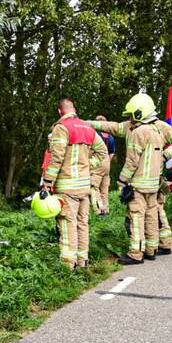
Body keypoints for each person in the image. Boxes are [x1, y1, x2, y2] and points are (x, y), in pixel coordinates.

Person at [89, 93, 163, 265]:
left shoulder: (139, 132)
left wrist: (122, 181)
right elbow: (113, 127)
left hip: (138, 184)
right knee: (152, 215)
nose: (130, 119)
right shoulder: (156, 130)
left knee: (136, 217)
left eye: (131, 115)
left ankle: (136, 253)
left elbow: (131, 162)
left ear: (139, 113)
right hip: (152, 184)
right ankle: (151, 249)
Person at [40, 99, 108, 270]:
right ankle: (83, 260)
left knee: (67, 222)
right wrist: (87, 164)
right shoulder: (87, 128)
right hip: (84, 185)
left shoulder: (61, 128)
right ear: (74, 109)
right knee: (82, 222)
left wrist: (47, 182)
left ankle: (68, 265)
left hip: (67, 186)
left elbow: (56, 159)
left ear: (59, 111)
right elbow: (102, 152)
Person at [152, 118, 172, 255]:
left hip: (155, 177)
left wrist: (164, 156)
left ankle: (164, 244)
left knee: (158, 211)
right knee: (157, 211)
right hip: (152, 176)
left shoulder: (160, 126)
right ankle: (160, 243)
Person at [90, 116, 116, 215]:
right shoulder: (110, 137)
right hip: (107, 163)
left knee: (94, 187)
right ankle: (106, 209)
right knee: (104, 189)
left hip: (97, 160)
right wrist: (107, 161)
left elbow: (93, 150)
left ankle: (99, 211)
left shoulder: (95, 134)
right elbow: (112, 153)